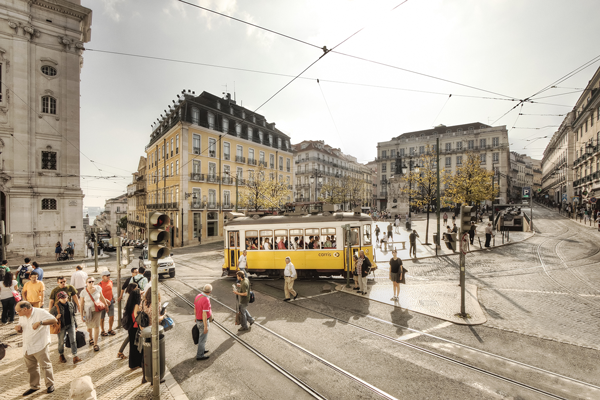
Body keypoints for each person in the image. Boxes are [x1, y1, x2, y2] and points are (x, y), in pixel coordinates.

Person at [14, 301, 57, 395]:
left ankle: (50, 385)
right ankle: (34, 386)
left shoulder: (40, 312)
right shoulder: (22, 316)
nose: (17, 313)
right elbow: (22, 329)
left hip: (40, 345)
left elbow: (54, 320)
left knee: (45, 366)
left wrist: (41, 322)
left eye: (18, 311)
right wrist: (18, 329)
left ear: (25, 309)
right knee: (31, 368)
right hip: (27, 346)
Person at [49, 291, 81, 364]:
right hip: (61, 326)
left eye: (65, 297)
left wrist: (76, 325)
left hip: (71, 324)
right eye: (63, 298)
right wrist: (56, 317)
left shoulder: (71, 304)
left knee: (73, 340)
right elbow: (49, 316)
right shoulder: (55, 307)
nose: (65, 299)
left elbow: (73, 315)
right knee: (61, 341)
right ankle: (61, 354)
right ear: (59, 299)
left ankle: (75, 356)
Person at [80, 276, 110, 351]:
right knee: (89, 326)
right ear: (86, 283)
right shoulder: (83, 292)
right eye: (89, 282)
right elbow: (81, 304)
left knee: (96, 326)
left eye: (92, 281)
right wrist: (81, 315)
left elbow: (102, 297)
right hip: (87, 311)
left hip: (97, 310)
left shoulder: (98, 288)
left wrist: (106, 305)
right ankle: (91, 338)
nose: (91, 283)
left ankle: (95, 344)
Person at [125, 287, 143, 369]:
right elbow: (136, 316)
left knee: (132, 346)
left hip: (131, 326)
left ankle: (133, 364)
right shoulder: (136, 304)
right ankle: (137, 363)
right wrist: (141, 326)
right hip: (135, 327)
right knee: (136, 346)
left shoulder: (130, 303)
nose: (142, 294)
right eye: (141, 293)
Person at [194, 284, 213, 361]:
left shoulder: (198, 296)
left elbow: (195, 308)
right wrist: (206, 326)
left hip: (198, 320)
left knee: (201, 337)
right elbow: (204, 314)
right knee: (202, 339)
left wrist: (195, 317)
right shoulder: (206, 299)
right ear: (210, 291)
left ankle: (202, 350)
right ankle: (200, 355)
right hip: (202, 322)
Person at [99, 271, 116, 337]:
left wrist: (113, 298)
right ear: (102, 277)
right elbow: (99, 295)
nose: (108, 276)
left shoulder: (110, 282)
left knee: (111, 316)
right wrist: (105, 301)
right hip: (102, 302)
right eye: (107, 275)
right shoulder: (100, 284)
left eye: (109, 275)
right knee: (102, 317)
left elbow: (111, 290)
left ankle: (110, 329)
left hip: (110, 301)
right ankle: (102, 330)